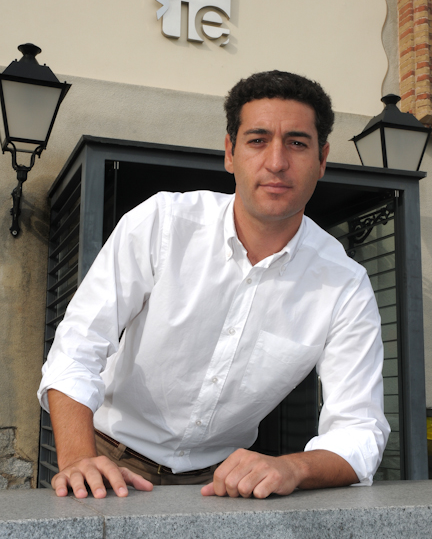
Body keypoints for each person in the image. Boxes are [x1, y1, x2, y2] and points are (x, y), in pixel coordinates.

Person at [38, 70, 390, 500]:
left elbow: (360, 428)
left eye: (297, 143)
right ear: (230, 152)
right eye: (257, 140)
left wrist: (292, 467)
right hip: (107, 459)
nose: (276, 162)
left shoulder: (344, 284)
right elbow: (77, 348)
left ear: (322, 159)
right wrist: (78, 458)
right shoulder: (162, 223)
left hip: (224, 482)